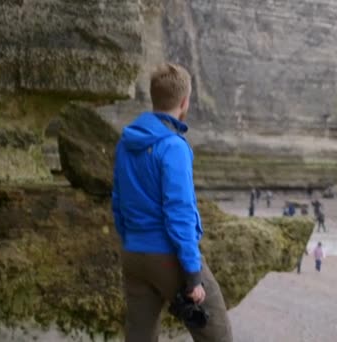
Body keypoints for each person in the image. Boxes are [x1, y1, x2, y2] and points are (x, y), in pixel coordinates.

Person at [112, 63, 232, 342]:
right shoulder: (173, 147)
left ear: (154, 97)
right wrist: (192, 275)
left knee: (140, 336)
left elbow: (117, 201)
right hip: (168, 257)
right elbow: (180, 214)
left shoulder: (126, 143)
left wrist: (131, 241)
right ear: (185, 101)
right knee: (217, 335)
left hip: (133, 255)